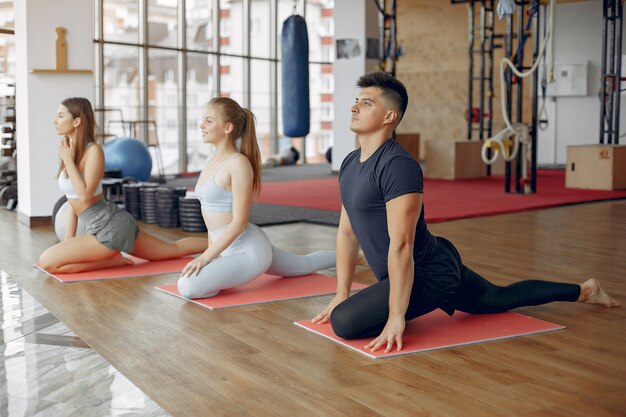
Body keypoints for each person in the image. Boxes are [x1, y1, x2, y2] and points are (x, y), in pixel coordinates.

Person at [312, 72, 621, 353]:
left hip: (430, 273)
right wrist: (342, 291)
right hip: (411, 272)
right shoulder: (351, 163)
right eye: (356, 101)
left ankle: (580, 292)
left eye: (366, 103)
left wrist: (396, 316)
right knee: (497, 299)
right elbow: (347, 232)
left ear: (389, 116)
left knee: (345, 322)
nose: (354, 108)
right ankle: (584, 291)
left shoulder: (398, 167)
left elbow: (402, 244)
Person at [176, 97, 335, 298]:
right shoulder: (211, 160)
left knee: (188, 287)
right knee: (305, 264)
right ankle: (356, 259)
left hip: (249, 252)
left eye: (208, 120)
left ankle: (356, 258)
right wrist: (212, 256)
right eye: (203, 119)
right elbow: (211, 222)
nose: (202, 125)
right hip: (226, 248)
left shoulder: (238, 164)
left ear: (227, 128)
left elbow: (240, 222)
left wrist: (206, 259)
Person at [38, 97, 208, 274]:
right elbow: (71, 201)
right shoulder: (70, 151)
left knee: (47, 262)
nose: (54, 121)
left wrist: (67, 160)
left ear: (76, 121)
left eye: (60, 116)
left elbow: (85, 195)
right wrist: (68, 242)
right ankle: (112, 259)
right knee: (173, 249)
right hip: (98, 229)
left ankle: (222, 243)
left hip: (110, 227)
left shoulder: (93, 151)